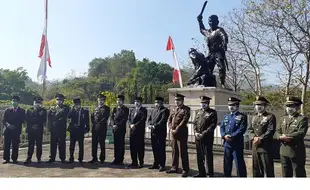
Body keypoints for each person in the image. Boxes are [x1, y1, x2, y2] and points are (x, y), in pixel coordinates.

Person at [274, 96, 308, 177]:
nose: (289, 108)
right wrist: (279, 137)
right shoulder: (283, 118)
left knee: (299, 174)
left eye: (292, 106)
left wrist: (286, 136)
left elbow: (301, 132)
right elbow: (277, 132)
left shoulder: (302, 119)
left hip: (296, 151)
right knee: (286, 174)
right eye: (288, 106)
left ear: (298, 107)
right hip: (283, 151)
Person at [197, 14, 228, 88]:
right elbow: (202, 30)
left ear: (217, 22)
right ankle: (207, 82)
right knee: (206, 69)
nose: (211, 22)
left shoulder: (219, 30)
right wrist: (200, 21)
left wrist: (224, 43)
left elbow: (224, 36)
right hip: (211, 54)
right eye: (209, 21)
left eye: (213, 21)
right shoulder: (208, 32)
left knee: (221, 67)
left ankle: (222, 83)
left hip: (218, 52)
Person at [248, 96, 276, 177]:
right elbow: (250, 129)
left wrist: (260, 138)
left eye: (261, 105)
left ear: (265, 105)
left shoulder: (270, 116)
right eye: (257, 105)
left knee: (268, 168)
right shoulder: (253, 116)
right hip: (255, 146)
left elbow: (270, 130)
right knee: (256, 168)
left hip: (265, 146)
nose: (258, 107)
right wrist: (253, 137)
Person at [220, 97, 247, 177]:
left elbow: (241, 129)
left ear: (237, 106)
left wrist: (231, 136)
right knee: (227, 164)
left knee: (239, 164)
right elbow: (222, 127)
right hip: (227, 144)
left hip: (237, 144)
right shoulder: (226, 116)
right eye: (229, 105)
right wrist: (224, 135)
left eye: (233, 105)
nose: (231, 107)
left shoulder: (242, 116)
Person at [166, 93, 191, 177]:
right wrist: (170, 128)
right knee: (174, 151)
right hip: (173, 133)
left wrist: (177, 129)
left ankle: (185, 169)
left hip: (181, 133)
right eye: (176, 100)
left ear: (182, 101)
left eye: (178, 100)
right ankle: (174, 167)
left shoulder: (186, 109)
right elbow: (169, 119)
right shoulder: (174, 109)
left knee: (183, 151)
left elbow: (184, 120)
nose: (177, 102)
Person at [193, 96, 217, 177]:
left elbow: (212, 126)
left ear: (208, 103)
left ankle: (210, 173)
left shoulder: (212, 112)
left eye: (205, 103)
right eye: (202, 103)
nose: (203, 104)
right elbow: (194, 123)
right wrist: (196, 132)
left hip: (207, 138)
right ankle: (201, 172)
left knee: (208, 156)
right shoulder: (198, 112)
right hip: (198, 138)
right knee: (199, 156)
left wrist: (203, 134)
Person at [148, 96, 170, 172]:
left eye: (158, 102)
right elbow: (150, 119)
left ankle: (162, 165)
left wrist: (155, 126)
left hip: (160, 133)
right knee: (155, 149)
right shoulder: (153, 110)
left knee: (161, 149)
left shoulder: (165, 110)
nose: (157, 104)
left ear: (162, 103)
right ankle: (156, 163)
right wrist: (150, 124)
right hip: (153, 132)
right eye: (156, 102)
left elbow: (163, 121)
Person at [2, 95, 25, 164]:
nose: (14, 102)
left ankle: (14, 159)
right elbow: (3, 120)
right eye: (13, 101)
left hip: (16, 130)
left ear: (18, 102)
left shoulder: (22, 111)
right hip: (8, 130)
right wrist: (8, 125)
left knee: (15, 145)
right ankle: (6, 159)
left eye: (15, 101)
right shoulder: (7, 110)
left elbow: (22, 120)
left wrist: (15, 125)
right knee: (6, 145)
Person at [47, 93, 70, 163]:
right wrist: (49, 128)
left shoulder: (65, 108)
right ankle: (52, 158)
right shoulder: (52, 108)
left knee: (62, 144)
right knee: (53, 144)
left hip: (61, 129)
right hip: (53, 129)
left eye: (60, 100)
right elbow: (49, 119)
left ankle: (62, 158)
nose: (59, 101)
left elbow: (65, 113)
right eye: (57, 100)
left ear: (63, 101)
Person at [24, 96, 47, 164]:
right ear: (34, 102)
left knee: (39, 145)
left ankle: (39, 158)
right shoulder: (29, 110)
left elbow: (44, 120)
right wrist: (32, 125)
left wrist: (37, 125)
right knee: (30, 144)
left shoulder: (43, 110)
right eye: (36, 102)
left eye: (39, 102)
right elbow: (26, 120)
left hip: (39, 129)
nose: (38, 104)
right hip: (31, 130)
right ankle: (29, 158)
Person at [67, 97, 90, 163]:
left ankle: (80, 158)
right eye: (76, 104)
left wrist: (87, 129)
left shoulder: (85, 111)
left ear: (80, 104)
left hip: (80, 130)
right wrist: (72, 109)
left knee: (81, 145)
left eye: (78, 104)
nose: (77, 105)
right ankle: (71, 157)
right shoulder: (72, 110)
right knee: (72, 144)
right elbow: (68, 116)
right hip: (73, 130)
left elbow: (87, 121)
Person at [89, 94, 110, 164]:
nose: (100, 101)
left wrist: (98, 123)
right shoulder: (95, 108)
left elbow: (105, 118)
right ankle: (94, 158)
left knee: (102, 144)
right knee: (94, 144)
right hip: (95, 128)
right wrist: (93, 123)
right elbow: (92, 116)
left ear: (104, 101)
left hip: (102, 128)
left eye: (102, 100)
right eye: (99, 100)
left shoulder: (107, 108)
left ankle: (102, 158)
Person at [127, 97, 147, 169]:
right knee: (133, 147)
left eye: (138, 101)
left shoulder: (144, 110)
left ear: (141, 102)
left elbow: (143, 120)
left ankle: (141, 162)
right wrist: (130, 125)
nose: (136, 103)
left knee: (140, 147)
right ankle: (134, 162)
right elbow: (129, 119)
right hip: (132, 132)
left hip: (139, 132)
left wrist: (135, 125)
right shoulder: (132, 110)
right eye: (135, 101)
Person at [110, 95, 129, 165]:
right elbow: (111, 117)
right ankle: (116, 158)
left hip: (121, 129)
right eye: (117, 100)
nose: (118, 102)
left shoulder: (125, 109)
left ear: (123, 101)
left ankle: (120, 159)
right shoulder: (115, 108)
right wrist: (113, 125)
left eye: (120, 100)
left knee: (120, 144)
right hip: (114, 129)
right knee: (116, 144)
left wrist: (117, 126)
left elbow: (124, 119)